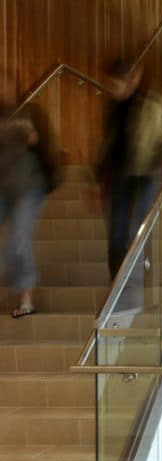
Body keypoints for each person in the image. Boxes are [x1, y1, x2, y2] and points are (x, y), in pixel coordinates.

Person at [96, 59, 162, 279]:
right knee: (116, 233)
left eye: (115, 85)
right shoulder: (111, 107)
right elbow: (107, 143)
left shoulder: (151, 104)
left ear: (128, 82)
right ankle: (116, 283)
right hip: (120, 174)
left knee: (139, 228)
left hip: (146, 174)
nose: (111, 90)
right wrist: (97, 176)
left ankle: (136, 276)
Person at [0, 87, 59, 318]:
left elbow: (44, 145)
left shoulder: (29, 114)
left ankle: (26, 300)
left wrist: (34, 137)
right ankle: (15, 283)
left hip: (29, 187)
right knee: (13, 244)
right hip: (3, 188)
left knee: (19, 239)